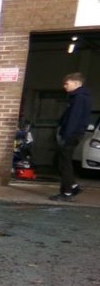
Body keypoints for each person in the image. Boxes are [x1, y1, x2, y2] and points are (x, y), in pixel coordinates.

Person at [50, 72, 92, 201]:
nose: (64, 86)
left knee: (64, 163)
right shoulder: (78, 97)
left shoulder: (79, 97)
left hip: (71, 134)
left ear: (76, 83)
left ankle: (67, 192)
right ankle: (72, 186)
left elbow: (73, 118)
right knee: (62, 161)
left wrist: (66, 136)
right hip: (73, 133)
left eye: (67, 83)